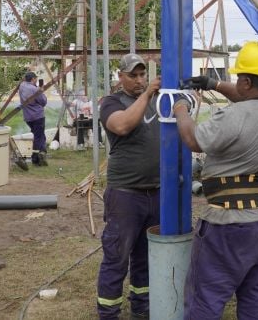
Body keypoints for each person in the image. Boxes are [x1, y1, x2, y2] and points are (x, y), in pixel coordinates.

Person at [172, 41, 258, 320]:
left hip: (231, 223)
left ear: (248, 81)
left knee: (206, 295)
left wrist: (180, 108)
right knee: (257, 290)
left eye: (240, 78)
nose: (237, 83)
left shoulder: (236, 116)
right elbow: (250, 98)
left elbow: (193, 139)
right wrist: (213, 84)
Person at [96, 53, 161, 320]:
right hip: (125, 194)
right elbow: (122, 126)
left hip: (156, 193)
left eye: (142, 74)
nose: (139, 80)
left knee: (145, 256)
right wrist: (146, 96)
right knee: (117, 257)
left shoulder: (157, 102)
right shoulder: (111, 103)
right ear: (120, 76)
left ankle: (142, 307)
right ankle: (108, 313)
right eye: (133, 75)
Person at [19, 71, 48, 166]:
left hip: (28, 117)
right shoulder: (34, 89)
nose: (36, 80)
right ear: (32, 79)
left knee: (38, 136)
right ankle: (37, 159)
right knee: (39, 138)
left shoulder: (22, 86)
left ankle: (41, 155)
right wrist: (41, 91)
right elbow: (43, 102)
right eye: (35, 79)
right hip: (38, 116)